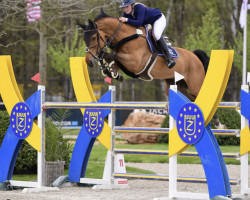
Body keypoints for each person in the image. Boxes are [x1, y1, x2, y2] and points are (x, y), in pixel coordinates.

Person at [119, 0, 175, 69]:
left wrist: (126, 20)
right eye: (123, 7)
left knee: (156, 34)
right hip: (148, 23)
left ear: (132, 5)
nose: (125, 9)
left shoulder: (139, 8)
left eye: (127, 7)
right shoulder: (126, 13)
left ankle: (169, 58)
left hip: (158, 19)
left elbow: (139, 23)